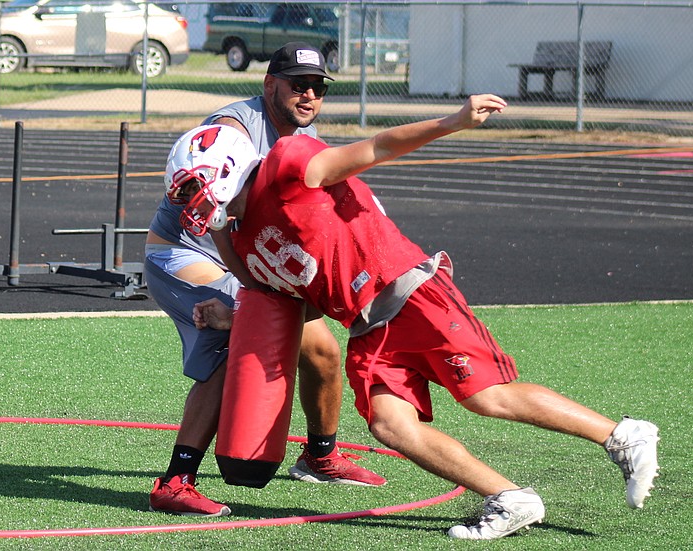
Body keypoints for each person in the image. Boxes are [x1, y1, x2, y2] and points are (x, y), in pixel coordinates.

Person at [179, 94, 661, 540]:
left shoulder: (288, 164)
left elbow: (376, 147)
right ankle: (510, 498)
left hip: (407, 291)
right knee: (391, 426)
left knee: (486, 397)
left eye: (196, 187)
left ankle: (621, 436)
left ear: (227, 168)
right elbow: (297, 300)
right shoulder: (243, 239)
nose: (193, 201)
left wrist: (453, 121)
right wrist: (233, 306)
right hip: (367, 325)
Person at [144, 42, 385, 517]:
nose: (309, 95)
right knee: (233, 347)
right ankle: (175, 481)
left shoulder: (304, 135)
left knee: (323, 350)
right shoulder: (234, 127)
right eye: (298, 84)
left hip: (248, 258)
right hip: (185, 252)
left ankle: (319, 456)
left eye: (318, 87)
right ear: (270, 84)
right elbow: (212, 208)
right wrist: (248, 298)